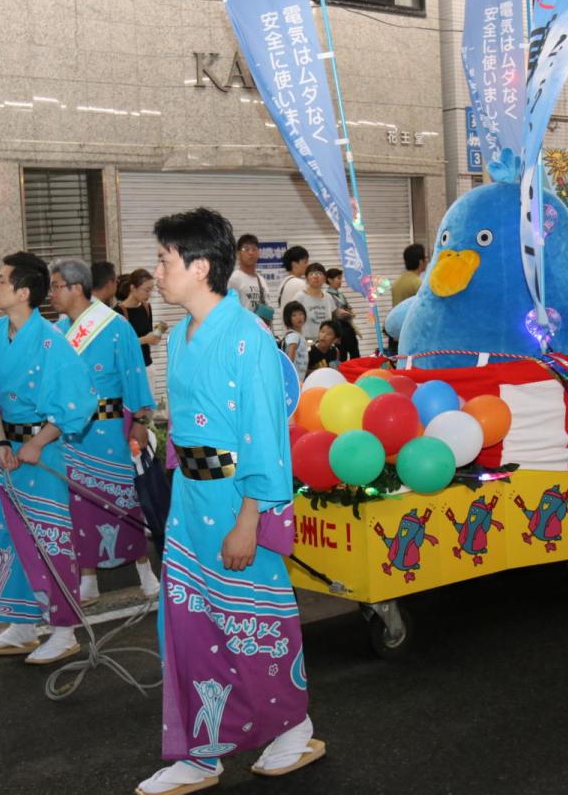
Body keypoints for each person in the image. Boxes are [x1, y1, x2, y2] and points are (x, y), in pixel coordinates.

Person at [138, 207, 323, 794]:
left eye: (165, 260)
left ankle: (293, 727)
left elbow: (264, 438)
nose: (158, 271)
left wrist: (250, 520)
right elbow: (190, 430)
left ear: (198, 266)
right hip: (192, 506)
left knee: (257, 623)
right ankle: (199, 753)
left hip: (240, 505)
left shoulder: (247, 338)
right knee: (189, 628)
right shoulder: (185, 336)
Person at [0, 252, 98, 664]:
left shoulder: (52, 342)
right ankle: (21, 626)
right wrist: (1, 443)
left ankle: (64, 630)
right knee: (7, 537)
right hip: (8, 454)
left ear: (23, 292)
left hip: (44, 455)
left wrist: (38, 442)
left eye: (1, 280)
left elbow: (77, 403)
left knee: (50, 540)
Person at [48, 259, 160, 605]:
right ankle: (88, 579)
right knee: (79, 505)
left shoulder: (114, 325)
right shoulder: (57, 330)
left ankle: (146, 572)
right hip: (71, 433)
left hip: (111, 427)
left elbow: (134, 374)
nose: (50, 293)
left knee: (122, 500)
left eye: (55, 286)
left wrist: (141, 421)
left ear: (75, 288)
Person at [118, 268, 165, 400]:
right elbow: (119, 346)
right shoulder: (118, 312)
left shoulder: (146, 307)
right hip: (129, 370)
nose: (149, 294)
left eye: (152, 289)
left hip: (147, 366)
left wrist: (155, 336)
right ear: (133, 288)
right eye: (146, 289)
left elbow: (150, 337)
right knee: (130, 412)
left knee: (147, 413)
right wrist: (145, 339)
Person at [387, 243, 426, 353]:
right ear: (420, 262)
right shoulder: (419, 284)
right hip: (411, 336)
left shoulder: (397, 282)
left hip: (396, 335)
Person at [227, 233, 271, 321]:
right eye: (246, 249)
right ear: (238, 254)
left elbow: (268, 308)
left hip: (261, 330)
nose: (251, 253)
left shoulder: (261, 280)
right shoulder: (235, 279)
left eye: (254, 249)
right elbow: (229, 310)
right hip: (243, 331)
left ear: (259, 253)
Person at [295, 262, 336, 342]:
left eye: (319, 273)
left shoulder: (328, 297)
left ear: (324, 278)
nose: (316, 276)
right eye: (312, 274)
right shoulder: (300, 297)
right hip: (306, 342)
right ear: (306, 279)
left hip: (326, 343)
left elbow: (332, 321)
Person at [325, 267, 359, 359]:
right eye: (338, 278)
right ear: (329, 280)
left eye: (341, 278)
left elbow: (348, 308)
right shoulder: (327, 296)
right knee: (341, 355)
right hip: (338, 329)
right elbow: (337, 313)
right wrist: (347, 313)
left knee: (355, 353)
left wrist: (350, 312)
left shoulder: (341, 295)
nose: (341, 281)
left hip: (348, 327)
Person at [276, 245, 309, 312]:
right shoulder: (299, 283)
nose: (307, 265)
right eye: (305, 262)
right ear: (294, 264)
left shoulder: (284, 282)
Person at [282, 301, 309, 380]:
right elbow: (291, 355)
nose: (299, 317)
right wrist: (289, 374)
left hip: (299, 377)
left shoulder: (299, 335)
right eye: (294, 315)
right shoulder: (293, 336)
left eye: (301, 314)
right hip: (293, 377)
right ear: (288, 318)